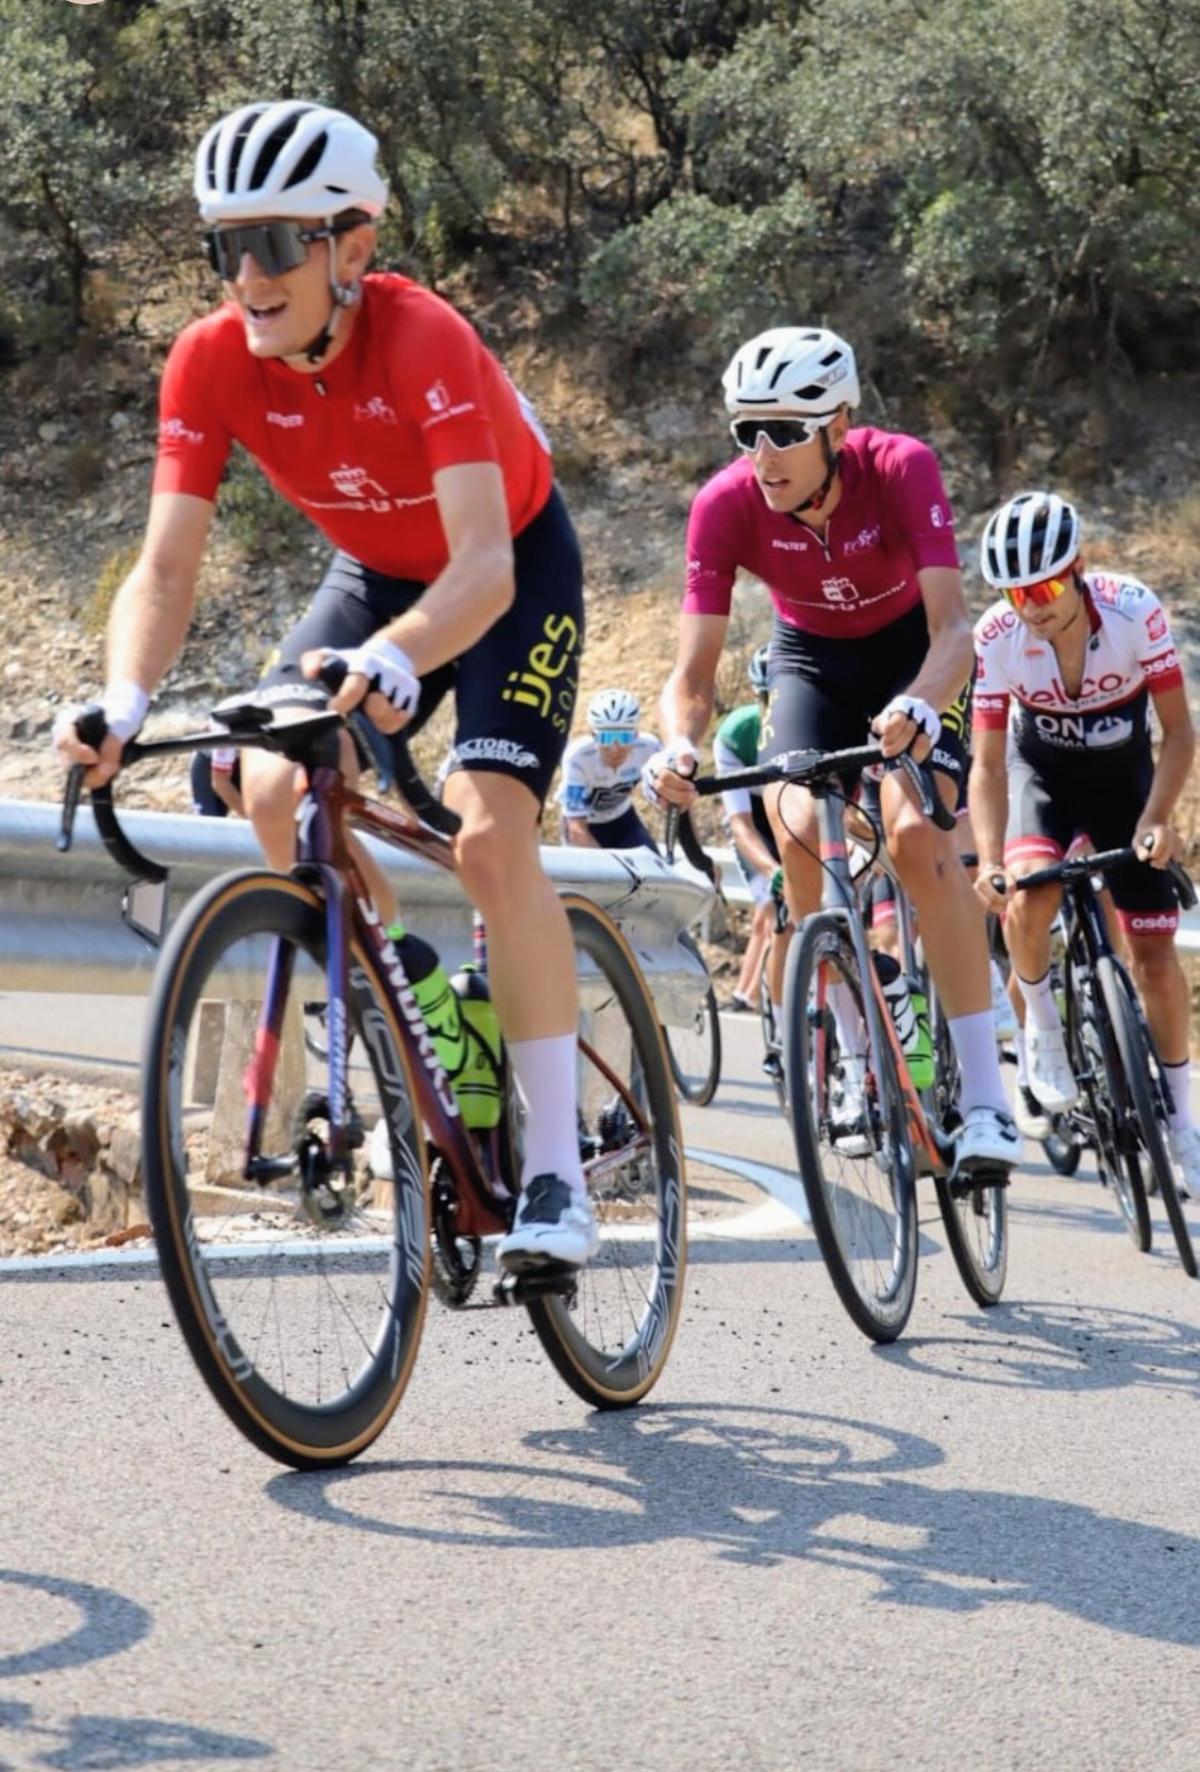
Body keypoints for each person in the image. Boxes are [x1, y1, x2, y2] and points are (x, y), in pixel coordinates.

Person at [53, 100, 595, 1269]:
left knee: (492, 833)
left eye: (274, 245)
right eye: (225, 248)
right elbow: (165, 566)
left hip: (506, 567)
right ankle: (421, 1010)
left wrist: (401, 652)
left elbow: (484, 567)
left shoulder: (422, 336)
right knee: (267, 783)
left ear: (352, 247)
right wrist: (124, 696)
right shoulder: (208, 361)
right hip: (374, 572)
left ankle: (555, 1167)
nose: (247, 277)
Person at [644, 325, 1017, 1171]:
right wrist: (679, 746)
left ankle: (988, 1103)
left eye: (783, 430)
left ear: (838, 425)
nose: (762, 453)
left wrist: (921, 703)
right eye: (746, 430)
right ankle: (853, 1055)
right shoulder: (724, 504)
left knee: (916, 837)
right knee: (799, 828)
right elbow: (692, 674)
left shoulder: (901, 467)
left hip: (912, 658)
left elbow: (954, 630)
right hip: (809, 663)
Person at [970, 490, 1200, 1195]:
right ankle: (1040, 1031)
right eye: (1015, 594)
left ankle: (1183, 1121)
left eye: (1043, 589)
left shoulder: (1135, 611)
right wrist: (989, 858)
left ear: (1077, 571)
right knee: (1029, 896)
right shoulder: (996, 636)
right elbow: (988, 763)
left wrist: (1158, 819)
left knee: (1154, 960)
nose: (1031, 608)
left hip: (1123, 783)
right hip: (1040, 776)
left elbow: (1179, 733)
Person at [713, 643, 787, 1054]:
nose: (772, 705)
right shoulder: (736, 733)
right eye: (764, 696)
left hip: (789, 809)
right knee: (773, 906)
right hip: (754, 820)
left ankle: (756, 990)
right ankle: (774, 1015)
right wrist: (773, 870)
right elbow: (740, 825)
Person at [557, 689, 660, 852]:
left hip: (622, 818)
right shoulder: (578, 756)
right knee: (597, 868)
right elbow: (576, 829)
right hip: (585, 825)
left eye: (625, 737)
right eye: (606, 738)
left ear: (636, 735)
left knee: (653, 867)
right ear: (593, 735)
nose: (615, 749)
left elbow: (679, 801)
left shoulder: (650, 747)